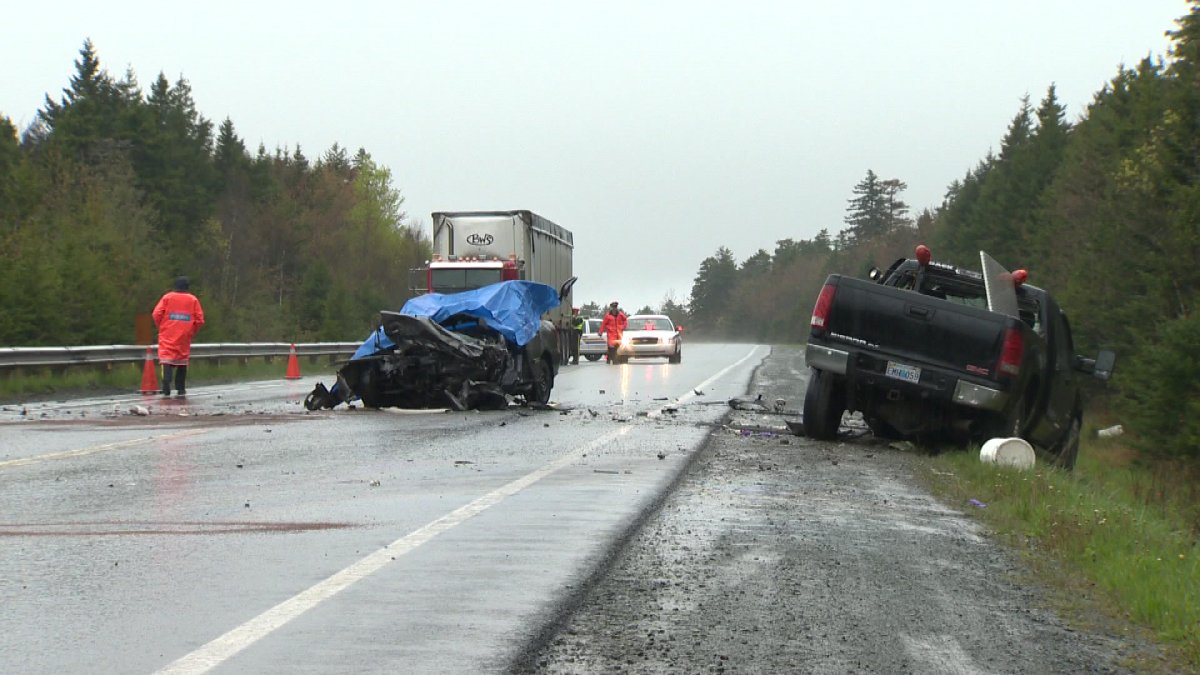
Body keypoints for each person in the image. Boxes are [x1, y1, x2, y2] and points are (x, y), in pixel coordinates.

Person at [152, 276, 205, 397]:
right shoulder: (193, 300)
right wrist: (192, 330)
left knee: (166, 357)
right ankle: (180, 388)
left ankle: (166, 382)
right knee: (182, 359)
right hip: (184, 334)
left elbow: (156, 314)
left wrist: (162, 326)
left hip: (167, 333)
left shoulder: (167, 297)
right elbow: (200, 320)